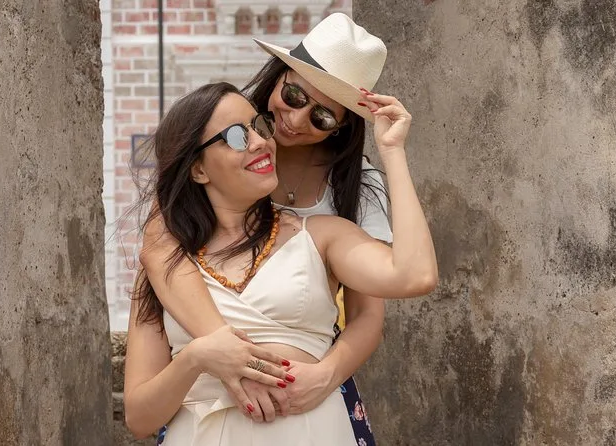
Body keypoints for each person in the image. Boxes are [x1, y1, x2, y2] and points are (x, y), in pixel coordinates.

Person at [134, 13, 437, 445]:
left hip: (310, 386)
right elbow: (159, 248)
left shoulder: (348, 197)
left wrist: (326, 376)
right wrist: (226, 354)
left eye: (322, 117)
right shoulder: (224, 133)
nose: (294, 120)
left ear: (341, 128)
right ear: (278, 77)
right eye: (293, 96)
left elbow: (372, 312)